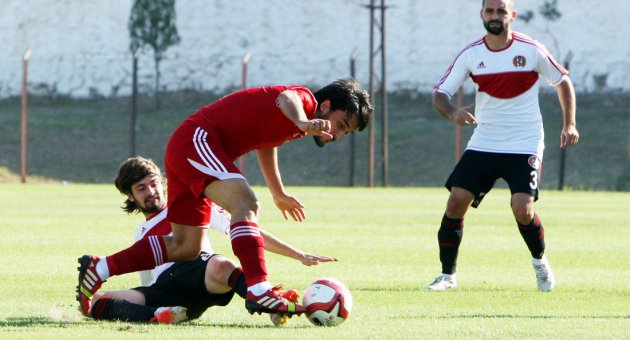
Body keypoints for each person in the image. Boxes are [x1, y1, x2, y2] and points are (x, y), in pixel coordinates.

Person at [77, 78, 372, 317]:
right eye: (342, 125)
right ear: (326, 105)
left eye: (346, 132)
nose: (339, 135)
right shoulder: (304, 101)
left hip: (187, 147)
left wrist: (278, 192)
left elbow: (267, 144)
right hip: (199, 140)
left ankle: (100, 268)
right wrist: (302, 121)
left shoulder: (298, 126)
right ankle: (258, 288)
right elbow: (287, 98)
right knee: (245, 203)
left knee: (185, 247)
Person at [426, 0, 579, 292]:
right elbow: (440, 94)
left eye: (500, 11)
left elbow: (562, 82)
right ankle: (447, 276)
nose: (495, 16)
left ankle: (540, 263)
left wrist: (569, 124)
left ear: (512, 15)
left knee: (522, 208)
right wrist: (452, 112)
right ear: (482, 15)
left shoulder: (531, 49)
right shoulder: (471, 54)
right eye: (489, 11)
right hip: (485, 140)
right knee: (456, 201)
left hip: (525, 141)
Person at [84, 157, 336, 325]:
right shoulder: (141, 233)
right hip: (169, 291)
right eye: (142, 188)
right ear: (130, 196)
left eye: (153, 184)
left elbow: (247, 230)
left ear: (162, 183)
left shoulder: (193, 206)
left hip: (201, 275)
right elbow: (149, 284)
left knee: (221, 265)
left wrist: (298, 255)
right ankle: (158, 316)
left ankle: (272, 303)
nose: (151, 192)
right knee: (95, 301)